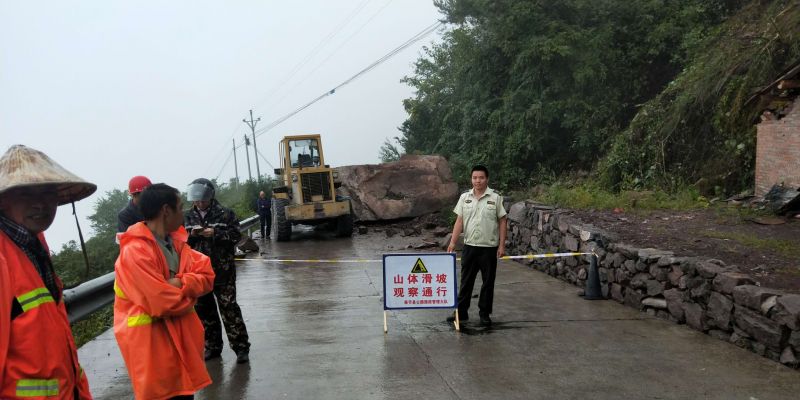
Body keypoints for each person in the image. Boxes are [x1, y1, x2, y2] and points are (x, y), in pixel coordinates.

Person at [0, 144, 94, 399]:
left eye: (48, 192)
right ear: (4, 199)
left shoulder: (34, 244)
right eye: (27, 194)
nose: (41, 204)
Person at [113, 183, 215, 399]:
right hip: (154, 355)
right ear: (166, 210)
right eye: (180, 206)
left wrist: (178, 283)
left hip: (181, 350)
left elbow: (207, 276)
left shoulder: (177, 243)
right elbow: (162, 303)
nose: (184, 212)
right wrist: (191, 294)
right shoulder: (135, 253)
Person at [184, 178, 251, 363]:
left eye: (202, 200)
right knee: (205, 312)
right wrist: (192, 235)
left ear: (210, 197)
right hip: (199, 273)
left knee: (229, 309)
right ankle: (212, 347)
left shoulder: (225, 214)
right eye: (196, 201)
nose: (199, 203)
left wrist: (216, 234)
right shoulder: (187, 217)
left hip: (223, 270)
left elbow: (236, 235)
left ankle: (241, 348)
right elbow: (180, 243)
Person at [446, 165, 507, 326]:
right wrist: (452, 242)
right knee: (466, 281)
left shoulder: (495, 198)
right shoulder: (465, 197)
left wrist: (502, 245)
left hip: (488, 248)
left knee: (488, 282)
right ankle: (461, 312)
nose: (477, 181)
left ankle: (484, 313)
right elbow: (459, 221)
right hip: (470, 247)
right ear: (471, 179)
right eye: (474, 178)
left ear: (487, 179)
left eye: (481, 177)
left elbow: (502, 221)